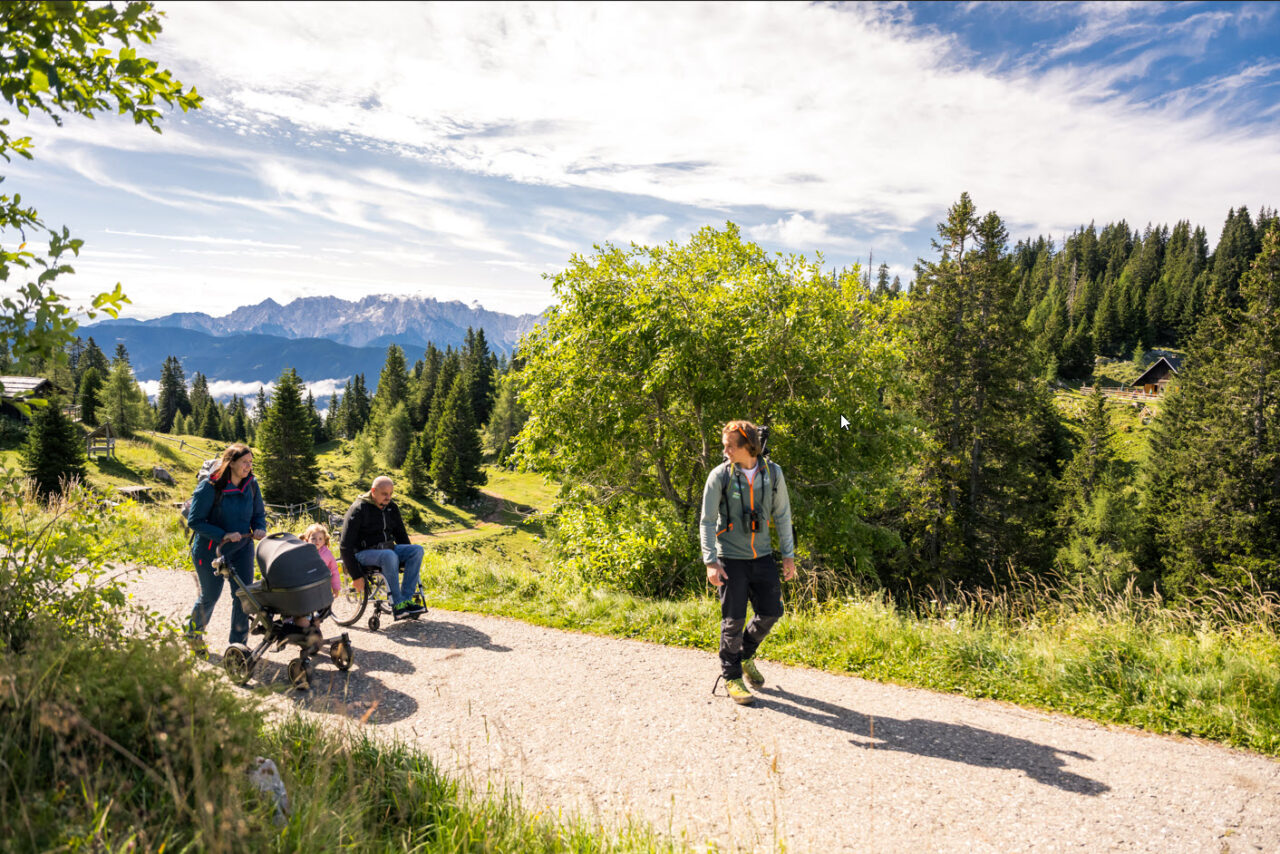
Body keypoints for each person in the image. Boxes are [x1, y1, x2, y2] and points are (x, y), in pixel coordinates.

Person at [699, 420, 796, 705]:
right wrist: (711, 561)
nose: (724, 450)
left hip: (763, 556)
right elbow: (706, 521)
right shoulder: (720, 476)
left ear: (748, 447)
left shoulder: (773, 474)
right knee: (733, 620)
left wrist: (788, 555)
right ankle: (731, 676)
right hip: (730, 558)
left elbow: (783, 516)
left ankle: (745, 654)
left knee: (771, 611)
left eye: (729, 445)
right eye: (724, 445)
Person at [186, 442, 267, 650]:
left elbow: (258, 513)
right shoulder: (209, 486)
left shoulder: (251, 484)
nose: (248, 466)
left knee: (243, 596)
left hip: (242, 548)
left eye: (250, 462)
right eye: (244, 462)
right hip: (211, 550)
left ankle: (237, 647)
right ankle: (193, 635)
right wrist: (224, 535)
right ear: (230, 463)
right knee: (210, 595)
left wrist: (259, 528)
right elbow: (194, 521)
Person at [338, 476, 425, 620]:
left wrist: (406, 559)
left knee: (416, 550)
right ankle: (397, 605)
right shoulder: (358, 509)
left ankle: (407, 600)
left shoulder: (391, 507)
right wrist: (356, 575)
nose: (388, 497)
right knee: (389, 556)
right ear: (373, 491)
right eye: (384, 494)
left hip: (388, 550)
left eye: (390, 494)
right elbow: (345, 545)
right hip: (363, 553)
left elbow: (401, 535)